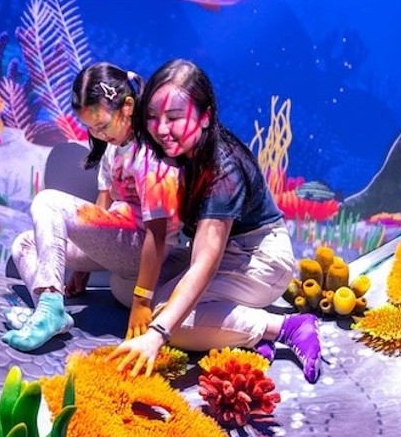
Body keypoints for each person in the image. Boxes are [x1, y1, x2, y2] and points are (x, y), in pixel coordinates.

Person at [109, 59, 323, 383]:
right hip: (226, 255)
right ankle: (234, 337)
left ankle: (284, 328)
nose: (161, 129)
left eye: (175, 118)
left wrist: (157, 334)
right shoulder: (172, 149)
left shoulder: (223, 170)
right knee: (123, 288)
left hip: (260, 259)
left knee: (161, 316)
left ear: (205, 116)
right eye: (152, 117)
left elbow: (204, 266)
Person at [5, 62, 184, 351]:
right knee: (24, 245)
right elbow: (102, 209)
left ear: (127, 107)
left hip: (147, 251)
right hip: (120, 244)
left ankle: (50, 306)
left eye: (102, 125)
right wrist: (82, 269)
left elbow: (158, 233)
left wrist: (142, 299)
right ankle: (50, 312)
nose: (98, 135)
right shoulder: (113, 149)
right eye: (91, 129)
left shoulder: (150, 155)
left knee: (47, 200)